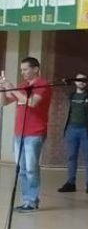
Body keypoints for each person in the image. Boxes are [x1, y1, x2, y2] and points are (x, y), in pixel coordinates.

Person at [0, 57, 52, 212]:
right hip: (19, 132)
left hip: (34, 133)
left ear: (35, 69)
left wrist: (12, 88)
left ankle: (32, 201)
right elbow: (4, 102)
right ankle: (26, 200)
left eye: (25, 69)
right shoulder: (23, 86)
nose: (22, 72)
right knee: (21, 168)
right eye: (21, 70)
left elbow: (32, 102)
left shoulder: (43, 84)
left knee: (31, 168)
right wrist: (3, 89)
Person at [58, 73, 88, 194]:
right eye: (79, 80)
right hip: (71, 129)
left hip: (86, 130)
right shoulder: (71, 96)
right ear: (75, 82)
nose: (81, 82)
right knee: (71, 157)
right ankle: (70, 183)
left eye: (84, 80)